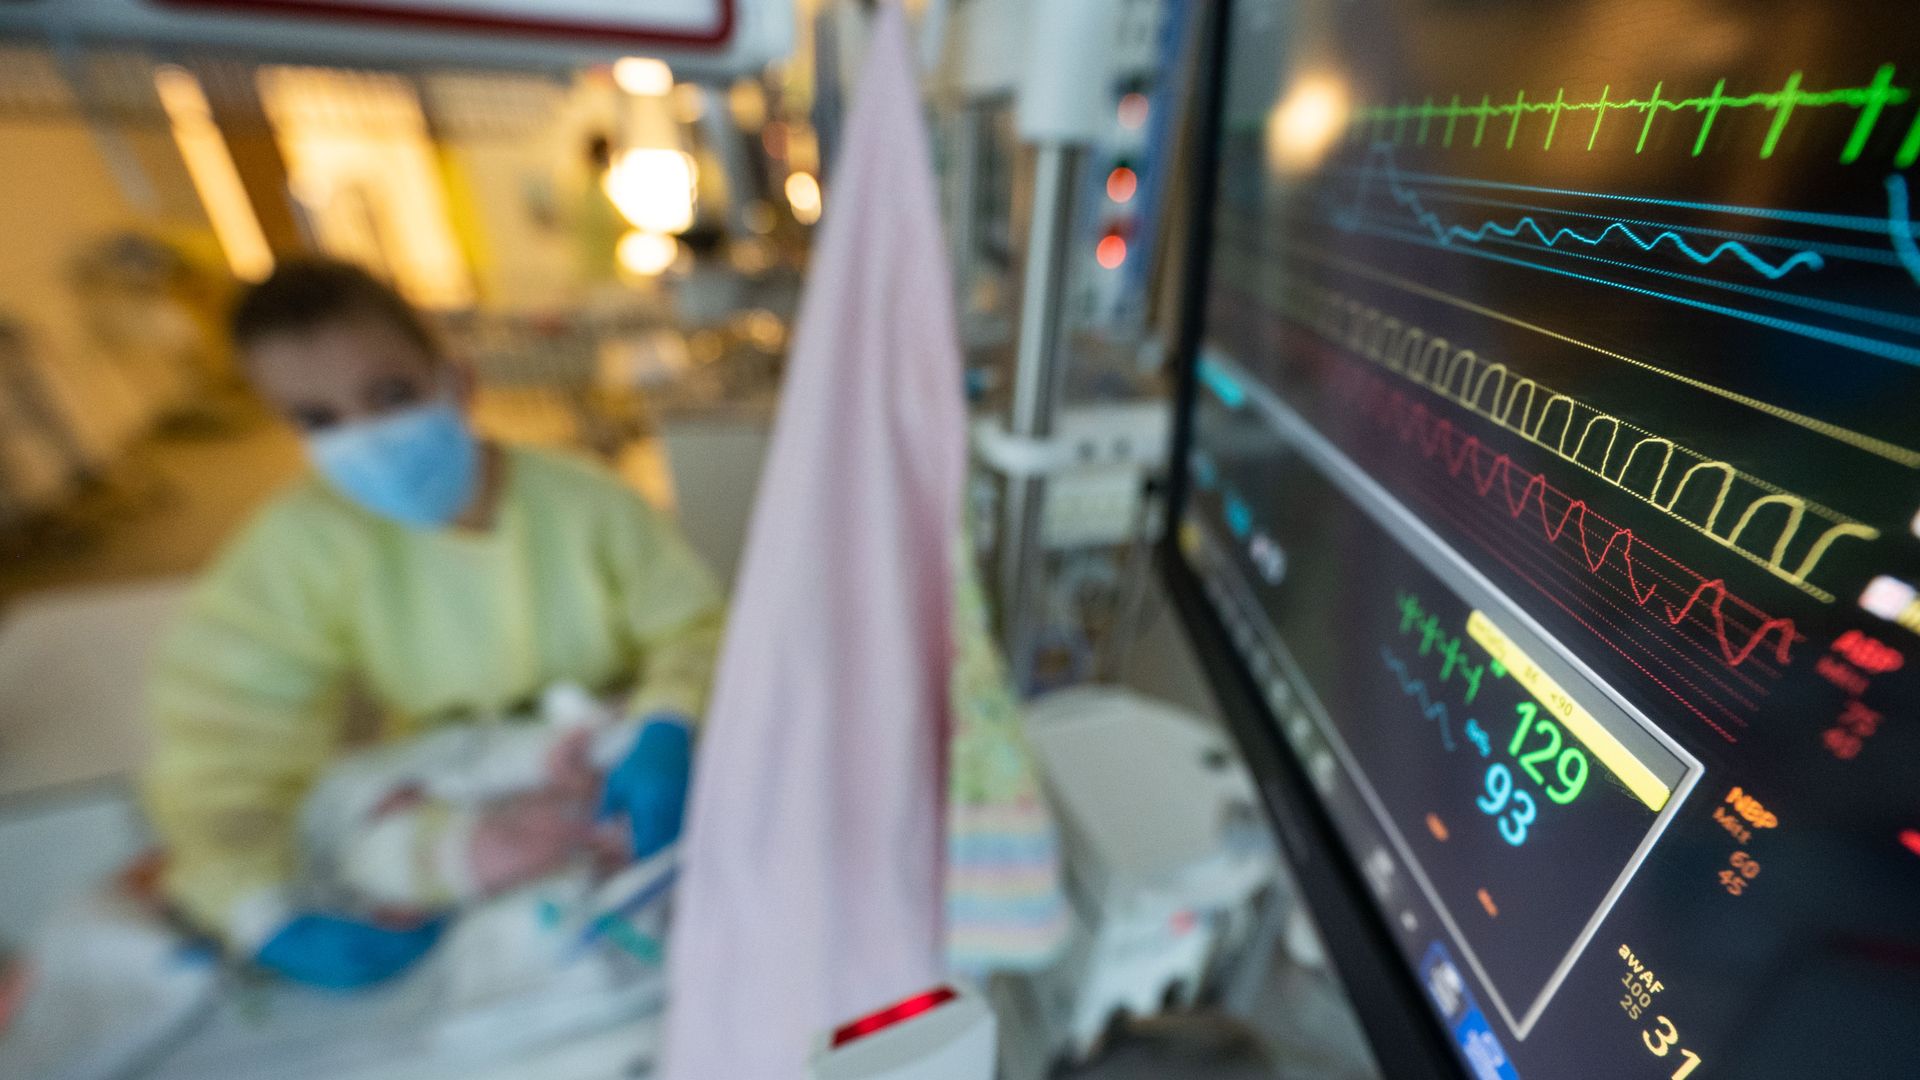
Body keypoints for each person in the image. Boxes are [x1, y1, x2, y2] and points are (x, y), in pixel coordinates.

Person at [144, 258, 724, 991]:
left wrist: (670, 723)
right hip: (450, 783)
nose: (365, 436)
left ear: (458, 383)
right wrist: (251, 905)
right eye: (318, 419)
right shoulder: (305, 543)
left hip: (619, 769)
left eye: (389, 395)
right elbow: (221, 736)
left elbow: (694, 630)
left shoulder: (590, 507)